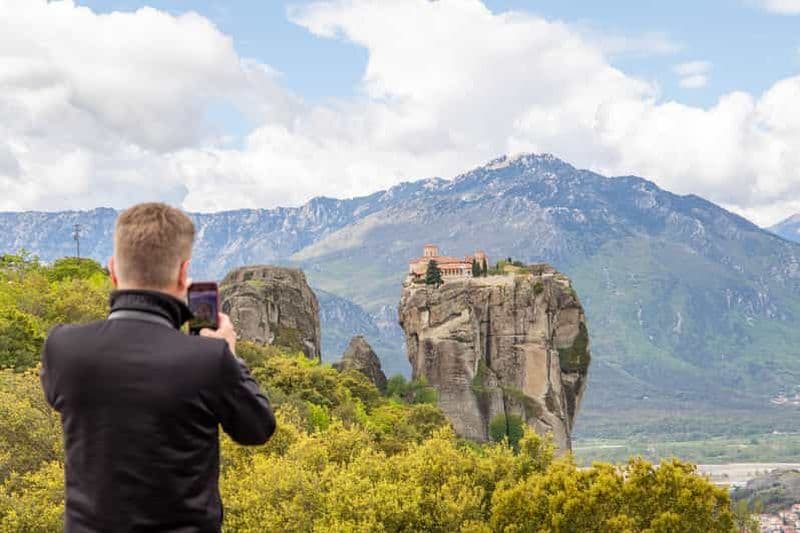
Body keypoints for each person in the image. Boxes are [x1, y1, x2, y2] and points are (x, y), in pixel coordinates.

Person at [40, 202, 275, 532]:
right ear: (183, 274)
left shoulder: (63, 348)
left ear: (113, 270)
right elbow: (257, 429)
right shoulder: (208, 360)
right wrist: (229, 354)